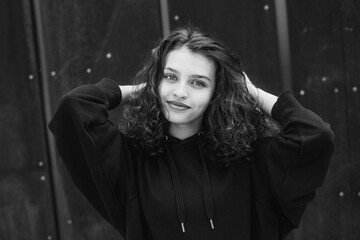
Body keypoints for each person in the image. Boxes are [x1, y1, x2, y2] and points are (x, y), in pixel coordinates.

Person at [49, 26, 335, 240]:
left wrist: (252, 93)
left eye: (198, 83)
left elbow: (313, 134)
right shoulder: (132, 162)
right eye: (170, 76)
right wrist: (143, 89)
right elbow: (75, 109)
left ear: (216, 92)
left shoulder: (251, 159)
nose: (180, 92)